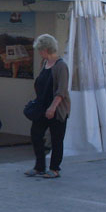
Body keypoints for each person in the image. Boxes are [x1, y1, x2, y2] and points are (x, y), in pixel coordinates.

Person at [25, 34, 70, 179]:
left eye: (40, 50)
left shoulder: (61, 66)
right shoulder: (44, 63)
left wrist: (53, 107)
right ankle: (39, 166)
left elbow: (61, 90)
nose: (39, 53)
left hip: (57, 109)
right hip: (41, 107)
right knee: (36, 134)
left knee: (57, 139)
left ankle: (55, 168)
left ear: (47, 49)